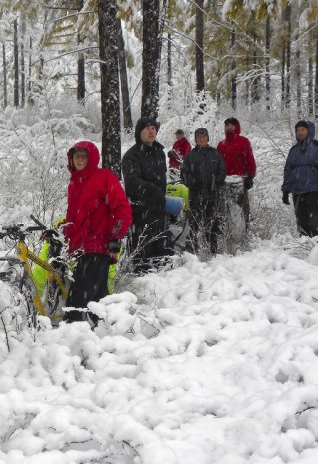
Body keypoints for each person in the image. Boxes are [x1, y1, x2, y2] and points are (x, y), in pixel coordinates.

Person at [61, 141, 132, 325]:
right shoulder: (74, 184)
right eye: (77, 156)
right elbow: (75, 217)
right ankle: (108, 330)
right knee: (99, 300)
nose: (80, 160)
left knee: (78, 297)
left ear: (91, 158)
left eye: (84, 156)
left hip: (98, 246)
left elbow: (122, 209)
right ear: (71, 159)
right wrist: (60, 230)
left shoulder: (103, 177)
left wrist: (115, 238)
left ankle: (70, 335)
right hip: (82, 249)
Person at [122, 118, 169, 273]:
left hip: (159, 212)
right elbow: (132, 183)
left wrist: (164, 199)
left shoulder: (160, 153)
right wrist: (151, 190)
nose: (151, 131)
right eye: (147, 128)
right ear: (139, 132)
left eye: (153, 128)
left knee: (163, 257)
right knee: (142, 260)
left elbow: (162, 181)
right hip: (140, 214)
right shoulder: (131, 156)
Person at [180, 128, 227, 254]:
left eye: (204, 136)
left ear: (208, 138)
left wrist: (216, 181)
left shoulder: (215, 154)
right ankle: (191, 253)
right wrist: (193, 182)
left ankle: (213, 252)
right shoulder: (191, 156)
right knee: (193, 225)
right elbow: (184, 174)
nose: (202, 139)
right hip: (195, 197)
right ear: (195, 139)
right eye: (199, 137)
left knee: (212, 225)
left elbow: (222, 172)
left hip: (212, 196)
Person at [216, 117, 256, 226]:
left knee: (244, 207)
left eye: (232, 125)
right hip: (225, 181)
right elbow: (217, 163)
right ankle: (225, 231)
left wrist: (250, 176)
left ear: (236, 127)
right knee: (224, 207)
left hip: (241, 179)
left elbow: (250, 159)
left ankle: (248, 229)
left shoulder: (243, 141)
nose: (229, 128)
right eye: (227, 125)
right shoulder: (221, 144)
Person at [281, 120, 318, 237]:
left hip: (314, 190)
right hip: (297, 191)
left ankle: (315, 249)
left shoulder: (316, 147)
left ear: (309, 131)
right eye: (298, 130)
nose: (300, 132)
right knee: (301, 223)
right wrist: (285, 191)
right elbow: (288, 171)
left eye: (303, 130)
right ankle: (304, 247)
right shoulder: (293, 150)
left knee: (315, 222)